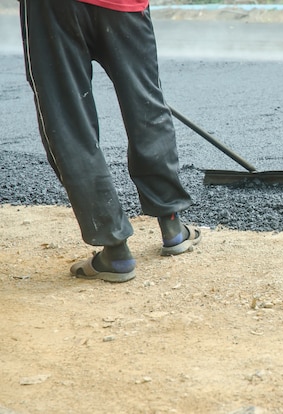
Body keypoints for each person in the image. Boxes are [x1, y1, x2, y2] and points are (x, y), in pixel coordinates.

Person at [19, 0, 201, 283]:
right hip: (124, 6)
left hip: (54, 10)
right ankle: (173, 226)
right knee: (145, 104)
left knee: (68, 122)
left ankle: (115, 250)